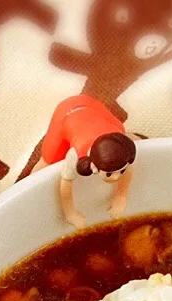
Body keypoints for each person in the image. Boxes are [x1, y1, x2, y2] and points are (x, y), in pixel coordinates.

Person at [32, 94, 137, 228]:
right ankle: (28, 186)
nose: (116, 177)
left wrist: (121, 197)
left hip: (91, 106)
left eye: (120, 171)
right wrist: (70, 214)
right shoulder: (76, 154)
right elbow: (65, 184)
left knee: (126, 132)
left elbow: (128, 167)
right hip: (67, 113)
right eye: (109, 174)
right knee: (48, 159)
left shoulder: (121, 143)